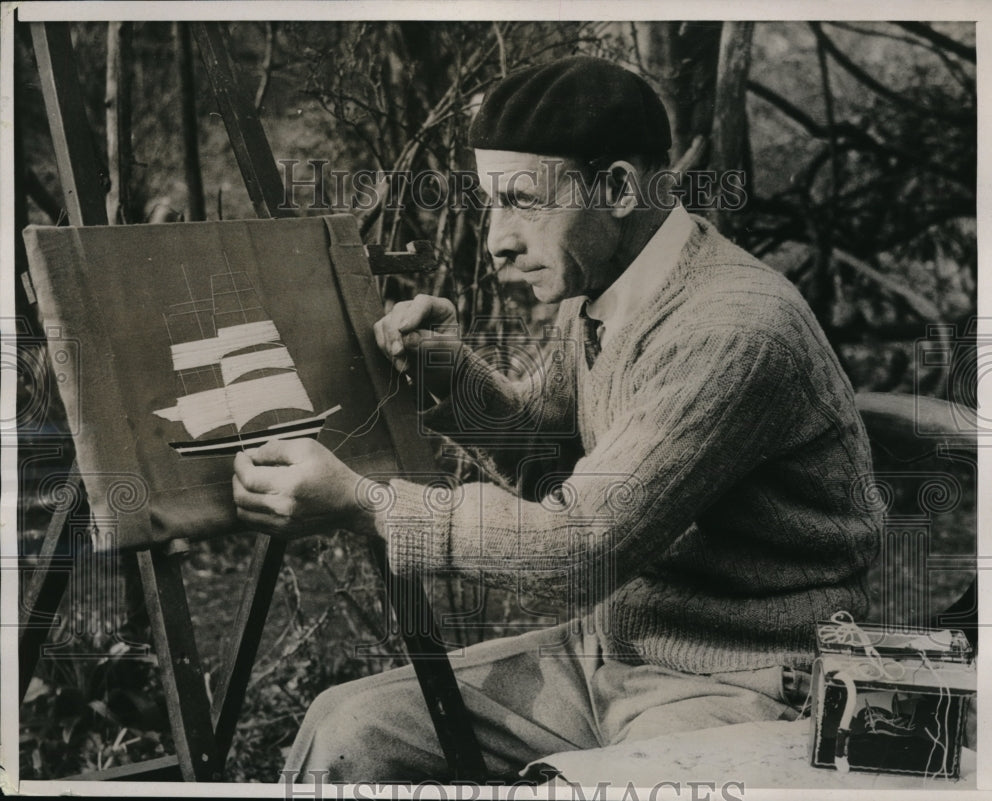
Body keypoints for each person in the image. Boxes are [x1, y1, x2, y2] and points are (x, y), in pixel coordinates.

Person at [232, 55, 882, 782]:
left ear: (617, 187)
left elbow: (575, 547)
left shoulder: (732, 330)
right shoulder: (605, 288)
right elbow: (546, 448)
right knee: (346, 728)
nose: (497, 240)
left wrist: (367, 503)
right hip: (607, 653)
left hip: (746, 681)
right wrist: (445, 372)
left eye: (521, 201)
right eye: (490, 203)